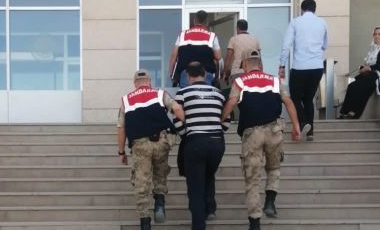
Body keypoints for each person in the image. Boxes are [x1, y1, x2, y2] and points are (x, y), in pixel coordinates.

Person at [222, 50, 301, 230]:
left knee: (252, 179)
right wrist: (296, 126)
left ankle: (255, 222)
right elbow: (288, 102)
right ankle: (270, 201)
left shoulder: (240, 82)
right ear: (260, 65)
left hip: (252, 134)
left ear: (245, 65)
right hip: (275, 130)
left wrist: (221, 120)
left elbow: (232, 102)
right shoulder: (275, 81)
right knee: (274, 168)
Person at [117, 69, 185, 230]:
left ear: (135, 84)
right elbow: (176, 108)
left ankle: (145, 221)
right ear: (149, 82)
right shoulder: (159, 94)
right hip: (161, 141)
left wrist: (121, 152)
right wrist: (186, 125)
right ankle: (159, 203)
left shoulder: (126, 100)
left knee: (142, 182)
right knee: (160, 173)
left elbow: (121, 129)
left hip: (140, 145)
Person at [172, 62, 228, 230]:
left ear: (188, 76)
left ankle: (199, 224)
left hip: (196, 141)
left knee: (195, 184)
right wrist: (218, 133)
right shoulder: (218, 93)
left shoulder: (182, 93)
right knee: (208, 174)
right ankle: (210, 207)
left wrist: (186, 135)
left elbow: (176, 120)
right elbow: (227, 119)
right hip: (216, 142)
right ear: (205, 75)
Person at [279, 0, 327, 141]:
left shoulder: (295, 22)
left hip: (300, 67)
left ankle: (304, 121)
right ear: (314, 9)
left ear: (302, 9)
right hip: (317, 67)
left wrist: (282, 64)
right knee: (308, 99)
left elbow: (286, 45)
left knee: (295, 98)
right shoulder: (322, 23)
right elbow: (325, 45)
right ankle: (310, 131)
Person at [340, 26, 380, 119]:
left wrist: (369, 68)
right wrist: (363, 68)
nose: (377, 36)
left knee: (359, 87)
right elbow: (369, 63)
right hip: (371, 73)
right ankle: (345, 112)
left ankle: (354, 113)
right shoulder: (374, 48)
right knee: (351, 86)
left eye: (379, 34)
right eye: (375, 34)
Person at [169, 10, 222, 88]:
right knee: (204, 94)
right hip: (205, 74)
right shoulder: (212, 36)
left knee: (187, 94)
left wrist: (171, 73)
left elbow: (174, 56)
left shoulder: (182, 35)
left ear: (194, 21)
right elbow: (218, 56)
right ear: (207, 22)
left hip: (186, 74)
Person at [222, 19, 261, 85]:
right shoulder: (255, 40)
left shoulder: (233, 39)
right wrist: (260, 73)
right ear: (247, 28)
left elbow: (228, 57)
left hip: (237, 72)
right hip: (252, 73)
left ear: (238, 28)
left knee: (237, 90)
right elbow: (259, 59)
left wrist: (225, 72)